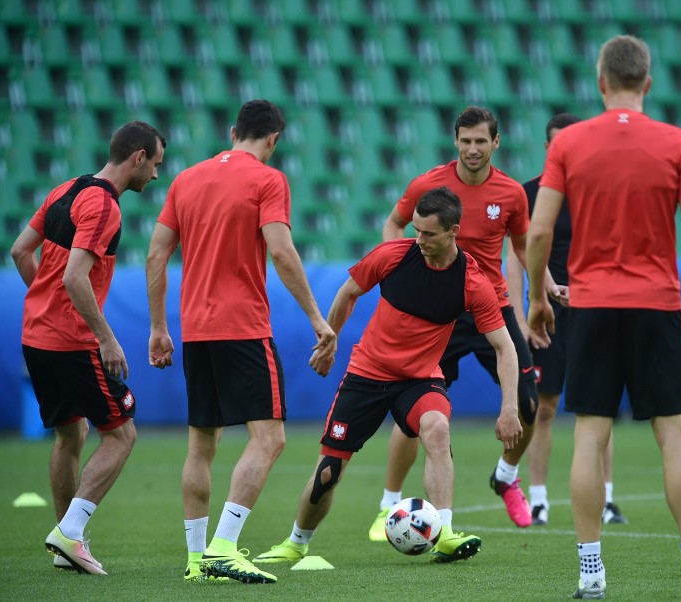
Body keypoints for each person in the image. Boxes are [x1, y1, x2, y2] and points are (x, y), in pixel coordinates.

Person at [525, 35, 681, 599]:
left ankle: (592, 576)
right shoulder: (677, 142)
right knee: (675, 440)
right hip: (656, 305)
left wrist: (539, 299)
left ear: (599, 83)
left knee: (590, 435)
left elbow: (538, 230)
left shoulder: (568, 144)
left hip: (590, 306)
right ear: (648, 83)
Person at [252, 187, 522, 565]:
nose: (419, 240)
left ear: (453, 231)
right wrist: (329, 339)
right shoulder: (393, 256)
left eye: (429, 234)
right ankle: (296, 543)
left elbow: (505, 347)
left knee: (438, 430)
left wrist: (509, 407)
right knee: (329, 470)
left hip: (420, 379)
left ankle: (443, 533)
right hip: (367, 373)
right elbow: (348, 292)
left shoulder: (471, 283)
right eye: (416, 230)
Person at [145, 99, 336, 584]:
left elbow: (156, 255)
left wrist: (158, 327)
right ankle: (224, 547)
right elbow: (281, 250)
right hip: (244, 328)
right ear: (274, 139)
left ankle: (195, 559)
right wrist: (317, 318)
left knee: (201, 444)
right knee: (269, 439)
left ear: (233, 131)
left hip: (195, 331)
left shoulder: (186, 178)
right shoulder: (268, 179)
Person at [364, 106, 553, 537]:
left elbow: (524, 249)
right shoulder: (428, 185)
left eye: (480, 141)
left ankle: (506, 476)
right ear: (455, 140)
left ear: (496, 143)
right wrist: (399, 271)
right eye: (465, 140)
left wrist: (547, 286)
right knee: (414, 415)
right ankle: (387, 506)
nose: (472, 149)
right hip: (438, 312)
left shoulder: (511, 194)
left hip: (492, 310)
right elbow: (394, 224)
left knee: (527, 404)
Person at [10, 121, 166, 575]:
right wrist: (106, 337)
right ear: (137, 157)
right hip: (72, 341)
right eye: (154, 165)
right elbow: (74, 278)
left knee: (70, 434)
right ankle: (70, 532)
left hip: (35, 337)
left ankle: (65, 544)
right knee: (122, 434)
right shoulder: (104, 205)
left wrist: (44, 303)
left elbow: (21, 251)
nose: (155, 176)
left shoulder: (66, 189)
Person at [506, 113, 627, 528]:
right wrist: (520, 317)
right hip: (547, 315)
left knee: (598, 407)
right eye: (558, 143)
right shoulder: (528, 194)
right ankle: (538, 499)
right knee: (543, 406)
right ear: (547, 148)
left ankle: (607, 499)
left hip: (595, 310)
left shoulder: (600, 192)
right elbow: (516, 260)